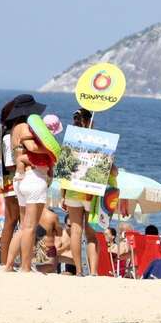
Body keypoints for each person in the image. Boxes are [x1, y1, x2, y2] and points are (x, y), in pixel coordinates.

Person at [2, 94, 53, 272]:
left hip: (21, 178)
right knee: (30, 227)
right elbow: (32, 148)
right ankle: (25, 267)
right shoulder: (25, 126)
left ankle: (8, 265)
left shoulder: (15, 127)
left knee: (24, 227)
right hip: (33, 177)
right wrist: (51, 150)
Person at [63, 108, 98, 275]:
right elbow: (107, 168)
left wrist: (62, 195)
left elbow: (64, 170)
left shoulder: (70, 141)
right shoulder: (99, 140)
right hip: (91, 191)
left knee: (75, 230)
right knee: (91, 234)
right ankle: (94, 272)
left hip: (72, 190)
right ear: (91, 121)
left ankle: (78, 271)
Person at [0, 100, 20, 268]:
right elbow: (10, 163)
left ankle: (7, 261)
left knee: (12, 221)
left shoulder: (6, 133)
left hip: (9, 180)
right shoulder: (8, 136)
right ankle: (6, 261)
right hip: (12, 179)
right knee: (12, 221)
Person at [35, 206, 62, 274]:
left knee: (38, 268)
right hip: (49, 247)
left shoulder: (33, 214)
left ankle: (36, 268)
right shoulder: (53, 216)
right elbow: (60, 233)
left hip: (36, 246)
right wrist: (52, 230)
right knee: (51, 269)